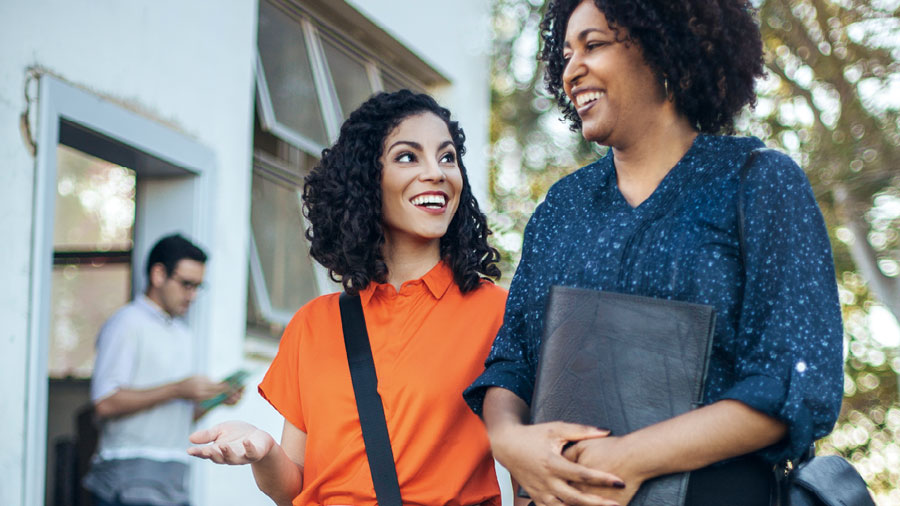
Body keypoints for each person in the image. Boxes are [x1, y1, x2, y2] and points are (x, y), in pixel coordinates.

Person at [463, 1, 844, 505]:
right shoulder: (561, 207)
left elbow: (795, 383)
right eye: (566, 54)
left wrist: (631, 458)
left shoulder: (757, 182)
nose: (572, 70)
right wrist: (509, 440)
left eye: (594, 45)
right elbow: (512, 361)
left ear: (664, 48)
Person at [187, 90, 507, 506]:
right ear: (366, 180)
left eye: (447, 157)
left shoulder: (496, 313)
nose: (437, 172)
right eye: (408, 157)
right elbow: (294, 489)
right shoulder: (313, 324)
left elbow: (532, 472)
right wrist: (263, 452)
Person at [84, 234, 242, 506]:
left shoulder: (183, 333)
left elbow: (176, 415)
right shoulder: (126, 323)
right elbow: (105, 403)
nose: (192, 295)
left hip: (173, 476)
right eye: (187, 284)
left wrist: (216, 399)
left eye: (198, 287)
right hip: (127, 473)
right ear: (158, 274)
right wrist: (177, 389)